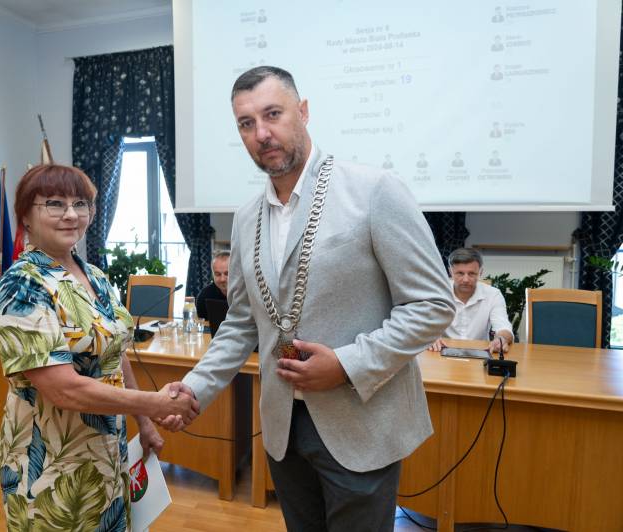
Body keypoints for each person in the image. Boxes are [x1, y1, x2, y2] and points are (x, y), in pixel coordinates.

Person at [159, 66, 455, 531]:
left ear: (303, 111)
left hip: (360, 423)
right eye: (246, 123)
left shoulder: (373, 190)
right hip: (283, 429)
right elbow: (242, 321)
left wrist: (346, 364)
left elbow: (433, 304)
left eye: (273, 114)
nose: (262, 133)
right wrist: (194, 387)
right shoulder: (246, 217)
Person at [0, 164, 199, 531]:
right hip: (52, 463)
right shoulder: (21, 286)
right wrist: (155, 402)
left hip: (106, 451)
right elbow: (63, 390)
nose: (71, 214)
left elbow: (115, 354)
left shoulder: (95, 276)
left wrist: (145, 422)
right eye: (55, 203)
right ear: (25, 217)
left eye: (80, 203)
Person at [430, 248, 514, 354]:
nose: (466, 280)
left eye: (471, 274)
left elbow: (503, 326)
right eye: (460, 273)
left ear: (480, 272)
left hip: (480, 353)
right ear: (450, 272)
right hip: (441, 351)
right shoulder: (437, 292)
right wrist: (429, 337)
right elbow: (425, 323)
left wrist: (501, 339)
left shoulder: (493, 295)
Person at [196, 250, 230, 320]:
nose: (222, 279)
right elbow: (202, 324)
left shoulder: (247, 293)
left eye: (227, 274)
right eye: (218, 274)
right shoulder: (204, 296)